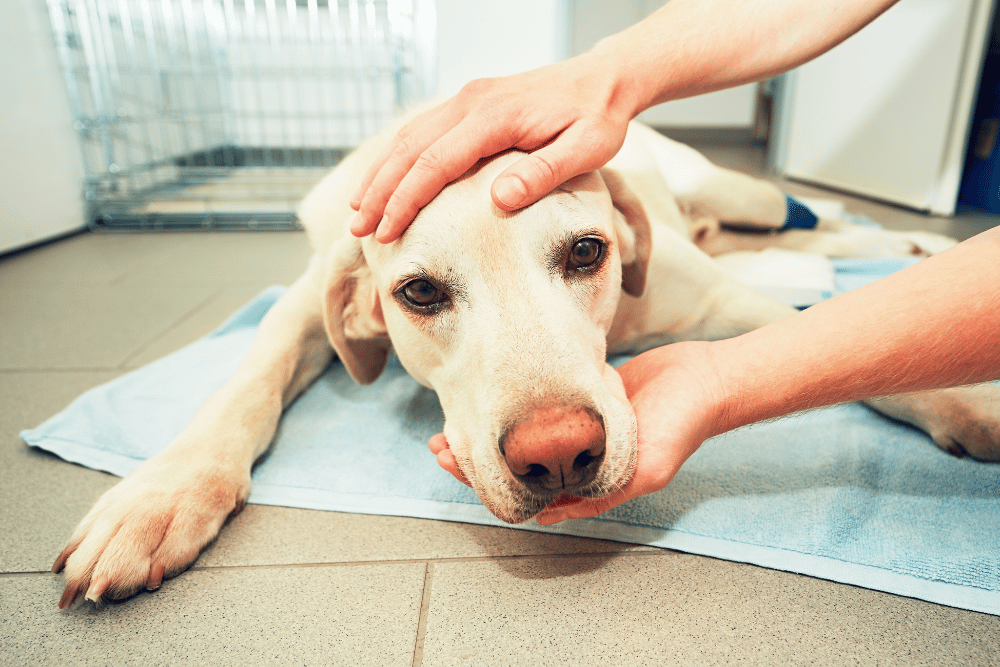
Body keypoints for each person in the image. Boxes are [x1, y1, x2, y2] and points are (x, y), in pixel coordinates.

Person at [352, 0, 1000, 523]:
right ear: (365, 308)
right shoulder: (361, 244)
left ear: (628, 240)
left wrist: (928, 394)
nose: (552, 440)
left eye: (581, 254)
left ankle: (821, 225)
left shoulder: (627, 215)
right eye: (425, 293)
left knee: (756, 203)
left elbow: (738, 307)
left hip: (664, 182)